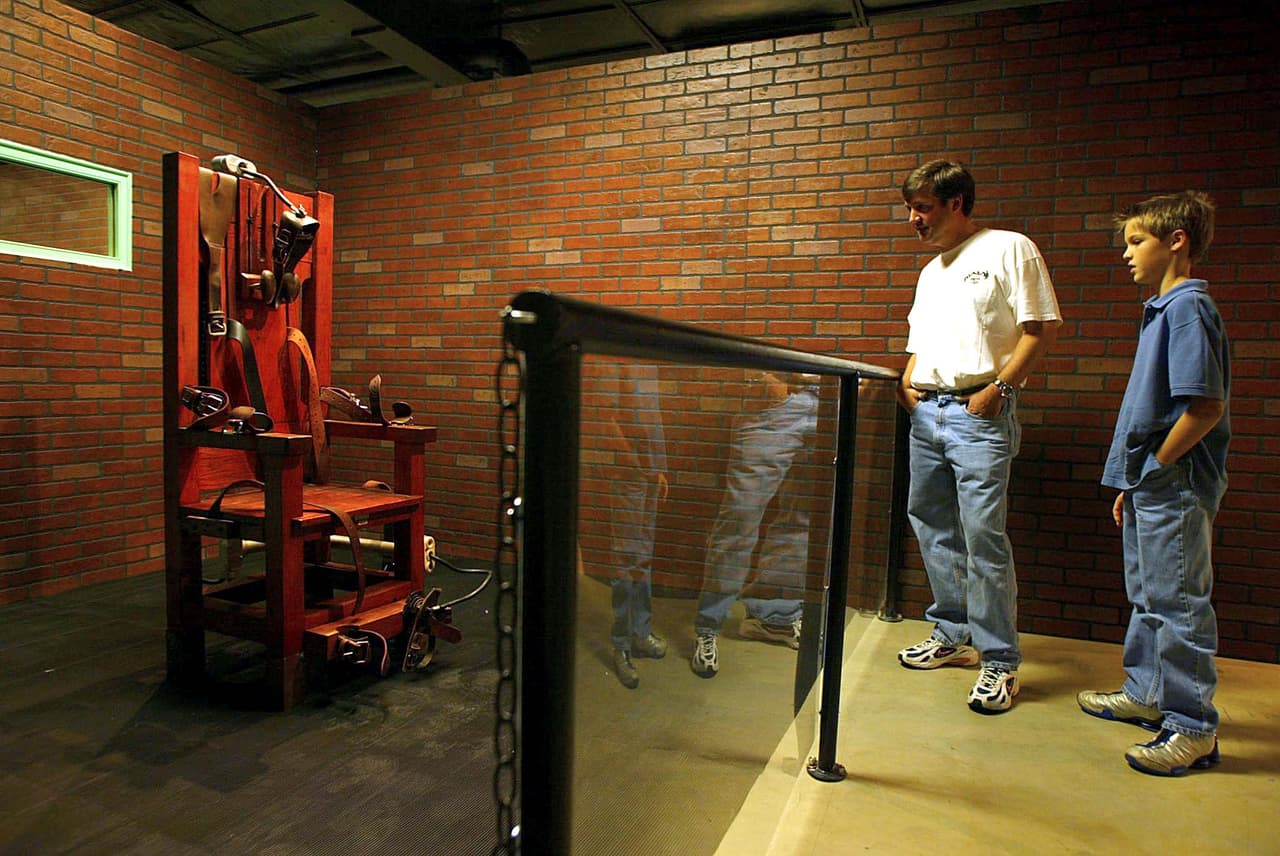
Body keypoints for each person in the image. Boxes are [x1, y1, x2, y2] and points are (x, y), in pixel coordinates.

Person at [894, 160, 1062, 714]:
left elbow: (1041, 328)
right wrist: (906, 379)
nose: (913, 218)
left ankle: (1001, 662)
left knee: (982, 536)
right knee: (932, 525)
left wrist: (999, 389)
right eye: (911, 207)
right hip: (927, 414)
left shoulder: (1010, 248)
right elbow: (920, 339)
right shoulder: (932, 270)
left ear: (956, 203)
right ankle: (951, 633)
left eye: (923, 207)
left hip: (979, 413)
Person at [1078, 191, 1229, 776]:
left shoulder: (1189, 308)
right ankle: (1146, 692)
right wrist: (1132, 480)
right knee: (1148, 595)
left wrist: (1158, 467)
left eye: (1136, 241)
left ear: (1176, 241)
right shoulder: (1163, 310)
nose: (1126, 254)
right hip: (1151, 482)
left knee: (1179, 603)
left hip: (1176, 482)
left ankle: (1193, 728)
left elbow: (1204, 408)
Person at [690, 370, 818, 679]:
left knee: (799, 518)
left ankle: (774, 616)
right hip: (775, 405)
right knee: (739, 522)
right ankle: (708, 627)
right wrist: (769, 381)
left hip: (822, 396)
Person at [598, 362, 670, 689]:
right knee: (626, 561)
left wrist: (658, 469)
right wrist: (635, 463)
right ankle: (622, 645)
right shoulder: (617, 366)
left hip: (647, 477)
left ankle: (641, 634)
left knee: (643, 558)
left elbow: (652, 419)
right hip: (628, 478)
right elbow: (606, 419)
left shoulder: (648, 366)